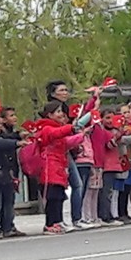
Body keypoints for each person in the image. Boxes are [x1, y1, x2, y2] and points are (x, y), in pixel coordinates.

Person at [35, 101, 88, 234]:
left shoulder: (58, 129)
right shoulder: (47, 128)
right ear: (49, 114)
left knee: (59, 196)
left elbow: (66, 142)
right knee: (52, 197)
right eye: (58, 112)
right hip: (49, 166)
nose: (61, 114)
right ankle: (49, 223)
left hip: (58, 166)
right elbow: (56, 133)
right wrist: (71, 128)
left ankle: (57, 222)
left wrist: (81, 135)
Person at [46, 80, 85, 228]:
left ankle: (65, 220)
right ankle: (56, 221)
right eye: (61, 90)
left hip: (63, 154)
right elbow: (62, 134)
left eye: (66, 90)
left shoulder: (66, 111)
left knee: (66, 189)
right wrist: (75, 131)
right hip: (55, 158)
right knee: (58, 191)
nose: (65, 93)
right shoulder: (48, 125)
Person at [0, 108, 27, 238]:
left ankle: (8, 226)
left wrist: (19, 136)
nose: (0, 125)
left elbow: (8, 138)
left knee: (8, 200)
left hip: (7, 171)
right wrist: (17, 142)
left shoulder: (6, 134)